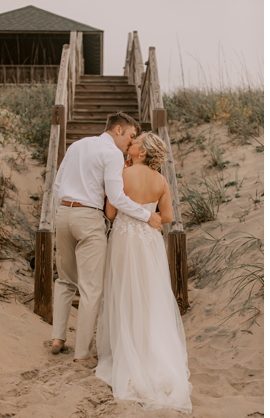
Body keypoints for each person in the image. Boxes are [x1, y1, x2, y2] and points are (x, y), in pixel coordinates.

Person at [50, 112, 163, 364]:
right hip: (88, 219)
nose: (130, 144)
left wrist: (65, 208)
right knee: (91, 289)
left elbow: (57, 185)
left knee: (65, 279)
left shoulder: (77, 145)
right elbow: (117, 197)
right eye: (131, 136)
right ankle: (82, 353)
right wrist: (147, 216)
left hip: (63, 213)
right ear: (118, 130)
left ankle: (58, 338)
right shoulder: (112, 153)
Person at [95, 131, 192, 414]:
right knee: (150, 297)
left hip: (125, 238)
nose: (130, 144)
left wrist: (131, 216)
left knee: (124, 293)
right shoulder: (161, 180)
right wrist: (147, 219)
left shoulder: (122, 175)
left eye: (135, 143)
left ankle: (128, 352)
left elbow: (111, 214)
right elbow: (169, 217)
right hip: (150, 241)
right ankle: (152, 352)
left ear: (142, 152)